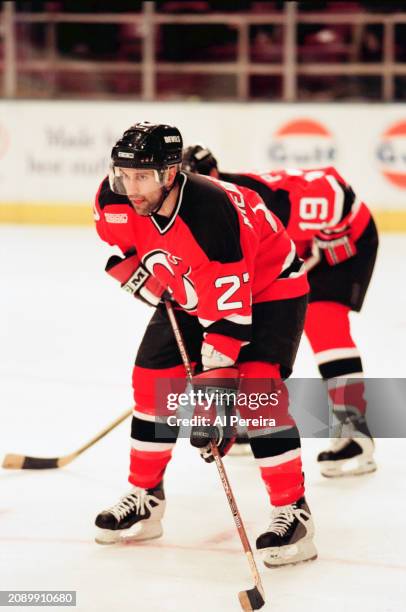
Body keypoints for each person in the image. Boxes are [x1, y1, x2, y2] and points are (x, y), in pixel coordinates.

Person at [93, 122, 317, 567]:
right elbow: (122, 256)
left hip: (269, 287)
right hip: (193, 285)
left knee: (256, 393)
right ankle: (146, 497)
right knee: (152, 379)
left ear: (171, 172)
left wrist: (215, 409)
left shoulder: (212, 215)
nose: (130, 187)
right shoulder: (114, 198)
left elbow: (229, 324)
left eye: (143, 176)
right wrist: (150, 286)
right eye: (125, 174)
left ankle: (294, 511)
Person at [182, 144, 379, 478]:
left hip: (346, 240)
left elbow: (333, 191)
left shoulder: (258, 200)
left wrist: (330, 242)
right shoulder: (208, 208)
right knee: (245, 331)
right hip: (299, 247)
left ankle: (355, 433)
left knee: (324, 324)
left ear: (212, 177)